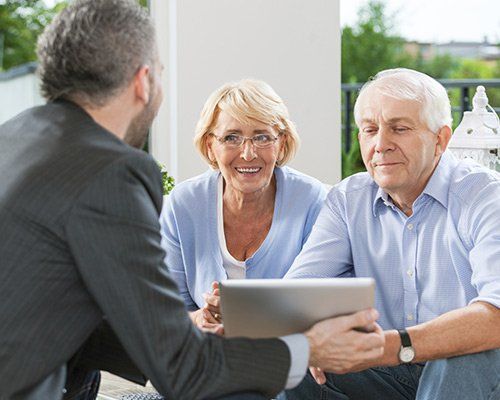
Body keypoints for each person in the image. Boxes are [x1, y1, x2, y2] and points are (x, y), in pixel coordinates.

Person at [0, 1, 385, 399]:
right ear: (143, 81)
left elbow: (60, 312)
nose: (247, 152)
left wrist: (187, 329)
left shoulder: (14, 139)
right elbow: (183, 370)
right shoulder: (110, 172)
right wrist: (307, 349)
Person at [282, 68, 500, 400]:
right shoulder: (347, 199)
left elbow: (495, 316)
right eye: (370, 130)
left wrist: (389, 346)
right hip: (390, 371)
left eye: (399, 128)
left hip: (474, 368)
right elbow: (294, 296)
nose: (381, 144)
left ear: (441, 139)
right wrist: (314, 334)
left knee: (456, 357)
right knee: (296, 366)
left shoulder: (485, 196)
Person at [160, 79, 327, 331]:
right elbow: (167, 310)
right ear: (210, 145)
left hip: (287, 354)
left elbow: (323, 303)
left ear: (281, 143)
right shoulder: (183, 203)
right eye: (231, 138)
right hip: (207, 355)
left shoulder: (312, 200)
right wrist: (201, 318)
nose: (248, 153)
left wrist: (244, 314)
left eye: (261, 137)